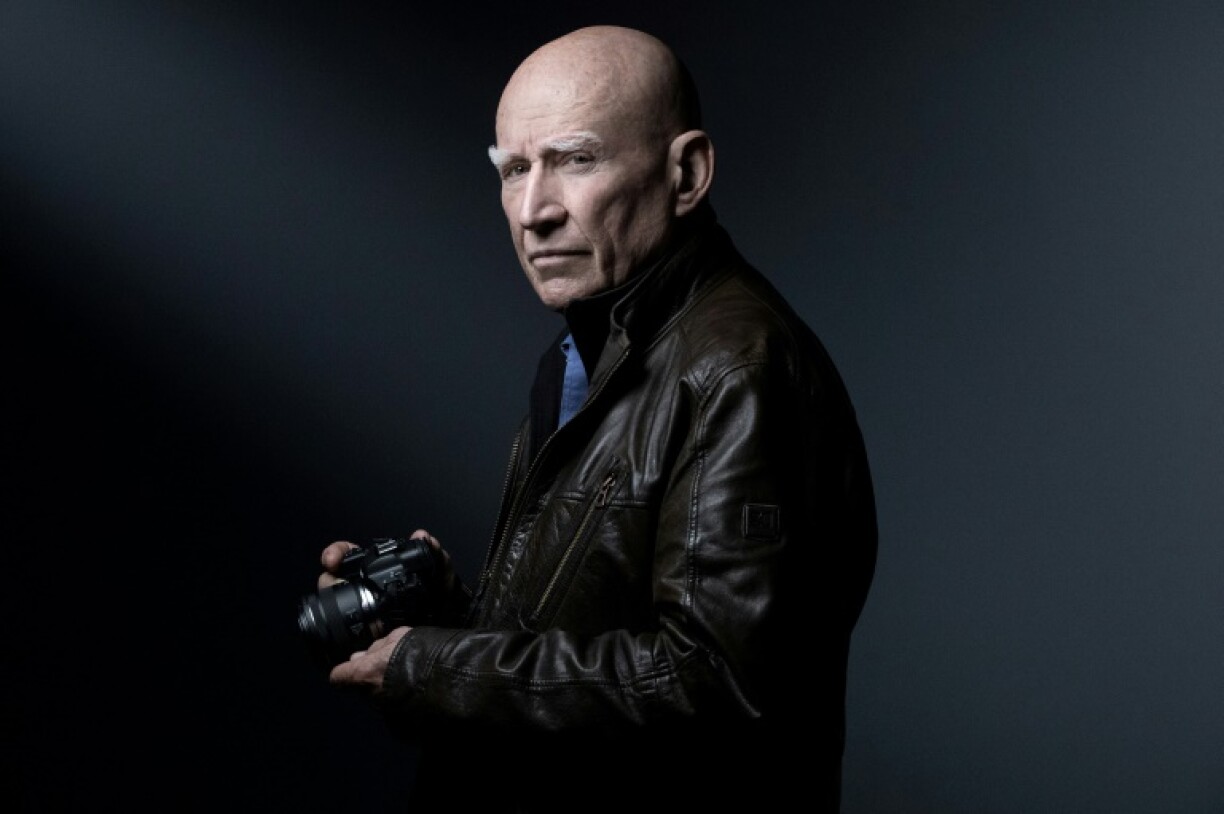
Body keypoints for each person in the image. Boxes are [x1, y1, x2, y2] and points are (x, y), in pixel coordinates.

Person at [316, 24, 877, 812]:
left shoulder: (736, 368)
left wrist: (431, 668)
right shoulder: (586, 352)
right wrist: (444, 615)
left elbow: (715, 686)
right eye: (514, 170)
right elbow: (589, 638)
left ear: (686, 172)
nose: (534, 211)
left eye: (576, 159)